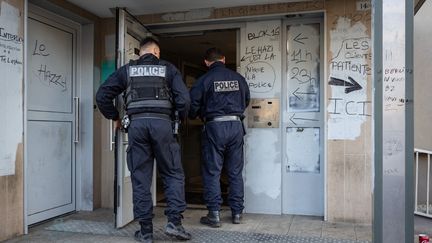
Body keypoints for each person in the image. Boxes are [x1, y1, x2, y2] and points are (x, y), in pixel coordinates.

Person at [96, 37, 191, 243]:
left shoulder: (127, 70)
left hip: (137, 127)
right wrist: (179, 121)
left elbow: (102, 95)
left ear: (140, 53)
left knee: (141, 178)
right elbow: (184, 99)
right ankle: (174, 223)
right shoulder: (168, 68)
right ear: (156, 52)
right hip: (163, 125)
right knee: (173, 173)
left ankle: (146, 231)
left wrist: (115, 117)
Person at [189, 47, 250, 227]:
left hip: (214, 126)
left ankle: (214, 214)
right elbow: (246, 100)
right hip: (236, 125)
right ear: (223, 59)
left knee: (212, 172)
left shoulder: (204, 80)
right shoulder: (239, 79)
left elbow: (192, 105)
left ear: (207, 63)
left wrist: (198, 115)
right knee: (235, 172)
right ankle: (237, 213)